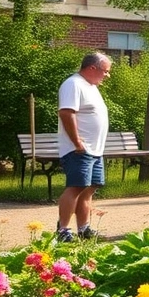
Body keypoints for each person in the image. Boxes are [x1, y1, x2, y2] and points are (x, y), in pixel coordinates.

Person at [56, 52, 112, 242]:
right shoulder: (73, 84)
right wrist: (77, 142)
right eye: (105, 71)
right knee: (76, 186)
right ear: (92, 68)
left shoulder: (91, 86)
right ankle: (63, 230)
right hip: (79, 148)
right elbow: (66, 113)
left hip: (94, 149)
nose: (107, 75)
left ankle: (83, 228)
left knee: (89, 188)